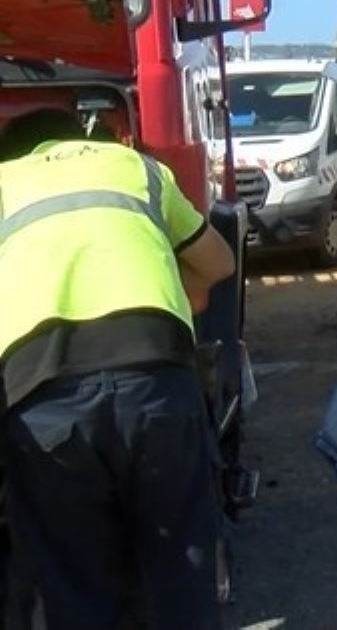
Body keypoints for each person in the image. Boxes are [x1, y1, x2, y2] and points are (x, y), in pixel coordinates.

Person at [0, 109, 235, 628]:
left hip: (43, 398)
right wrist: (168, 281)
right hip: (155, 381)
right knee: (182, 561)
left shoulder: (4, 181)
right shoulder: (136, 168)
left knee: (74, 578)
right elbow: (219, 264)